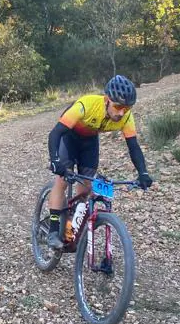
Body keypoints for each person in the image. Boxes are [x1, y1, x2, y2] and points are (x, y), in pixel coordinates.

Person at [46, 75, 153, 249]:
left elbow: (133, 147)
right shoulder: (86, 105)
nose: (121, 113)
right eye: (118, 106)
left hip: (89, 142)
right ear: (107, 100)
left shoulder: (126, 117)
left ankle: (69, 228)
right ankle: (52, 231)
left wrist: (143, 173)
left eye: (126, 108)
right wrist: (55, 161)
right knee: (63, 180)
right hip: (69, 137)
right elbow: (55, 134)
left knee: (86, 188)